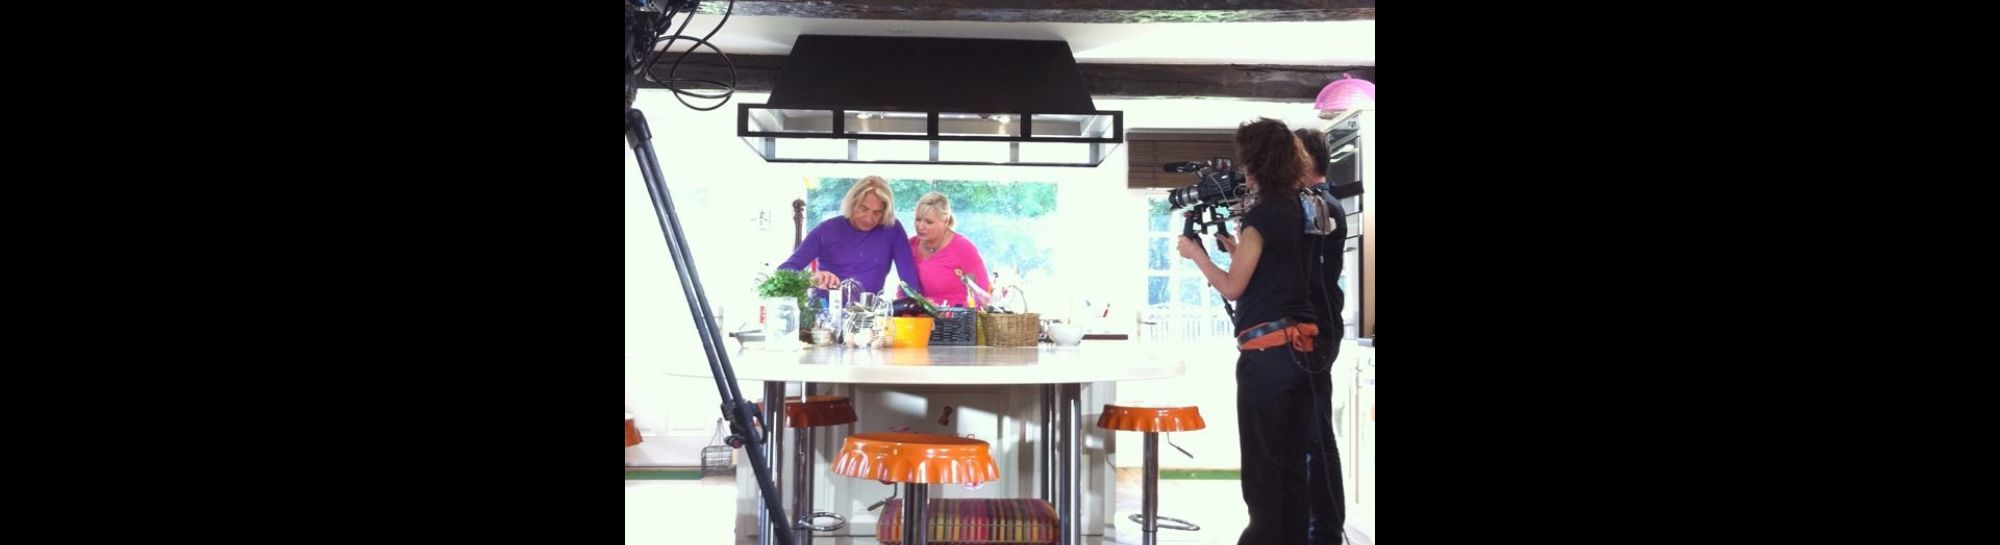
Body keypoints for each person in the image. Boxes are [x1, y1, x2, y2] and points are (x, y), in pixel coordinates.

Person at [1175, 118, 1342, 545]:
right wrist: (1238, 249)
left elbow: (1233, 287)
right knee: (1292, 469)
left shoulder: (1262, 215)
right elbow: (1279, 271)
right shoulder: (1302, 209)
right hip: (1303, 352)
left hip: (1267, 359)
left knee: (1264, 472)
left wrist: (1196, 255)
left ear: (1254, 164)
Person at [1294, 127, 1351, 545]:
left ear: (1305, 159)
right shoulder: (1312, 203)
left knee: (1316, 435)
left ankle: (1327, 534)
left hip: (1318, 329)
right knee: (1307, 435)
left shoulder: (1321, 206)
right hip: (1314, 326)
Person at [777, 175, 922, 301]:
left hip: (869, 315)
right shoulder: (827, 230)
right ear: (852, 203)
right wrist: (811, 278)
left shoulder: (892, 229)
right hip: (825, 314)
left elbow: (909, 283)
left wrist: (911, 309)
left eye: (877, 212)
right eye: (864, 209)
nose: (869, 218)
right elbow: (783, 272)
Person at [906, 191, 991, 307]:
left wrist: (951, 312)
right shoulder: (911, 245)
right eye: (918, 219)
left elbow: (982, 294)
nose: (920, 226)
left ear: (945, 221)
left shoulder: (963, 248)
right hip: (917, 316)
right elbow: (903, 289)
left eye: (928, 222)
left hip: (957, 316)